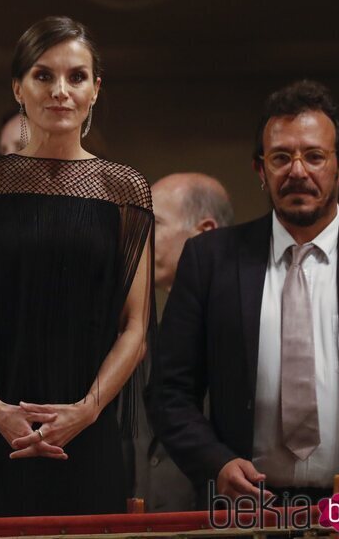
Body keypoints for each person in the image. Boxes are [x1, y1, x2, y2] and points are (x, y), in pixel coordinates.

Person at [0, 16, 153, 517]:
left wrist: (86, 411)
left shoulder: (126, 191)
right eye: (44, 75)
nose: (60, 91)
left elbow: (136, 326)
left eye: (76, 76)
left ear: (95, 90)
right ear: (18, 88)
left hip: (87, 432)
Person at [147, 80, 339, 505]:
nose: (297, 171)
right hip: (249, 509)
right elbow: (169, 393)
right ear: (261, 170)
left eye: (314, 156)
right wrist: (215, 463)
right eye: (280, 157)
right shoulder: (210, 260)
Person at [132, 173, 233, 512]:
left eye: (155, 223)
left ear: (204, 234)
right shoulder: (146, 326)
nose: (140, 238)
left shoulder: (237, 326)